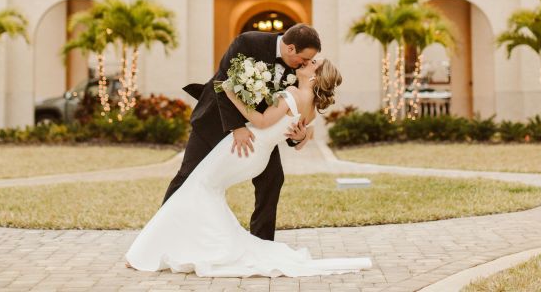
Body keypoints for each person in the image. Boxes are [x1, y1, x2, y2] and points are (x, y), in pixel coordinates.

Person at [126, 57, 371, 276]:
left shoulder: (294, 95)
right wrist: (301, 135)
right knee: (205, 190)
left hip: (245, 146)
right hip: (256, 156)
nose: (306, 62)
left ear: (315, 76)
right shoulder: (312, 108)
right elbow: (300, 142)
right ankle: (193, 245)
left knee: (199, 186)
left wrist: (231, 92)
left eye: (312, 64)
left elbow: (262, 121)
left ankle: (157, 251)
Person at [163, 24, 321, 243]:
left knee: (272, 179)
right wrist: (237, 127)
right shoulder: (248, 42)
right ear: (291, 48)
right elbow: (222, 83)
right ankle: (162, 234)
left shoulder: (296, 69)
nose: (304, 64)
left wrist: (298, 137)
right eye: (303, 59)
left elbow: (287, 113)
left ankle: (262, 243)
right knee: (187, 174)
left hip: (258, 131)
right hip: (216, 120)